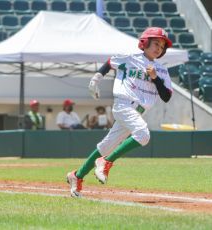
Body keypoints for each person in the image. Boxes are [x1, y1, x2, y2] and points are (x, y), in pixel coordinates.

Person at [66, 27, 173, 197]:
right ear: (144, 43)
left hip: (137, 112)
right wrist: (96, 79)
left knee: (106, 145)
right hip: (123, 105)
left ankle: (76, 176)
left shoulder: (161, 71)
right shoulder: (130, 58)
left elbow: (166, 96)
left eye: (162, 46)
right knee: (143, 135)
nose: (158, 48)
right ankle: (106, 162)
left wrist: (155, 78)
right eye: (155, 43)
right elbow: (110, 63)